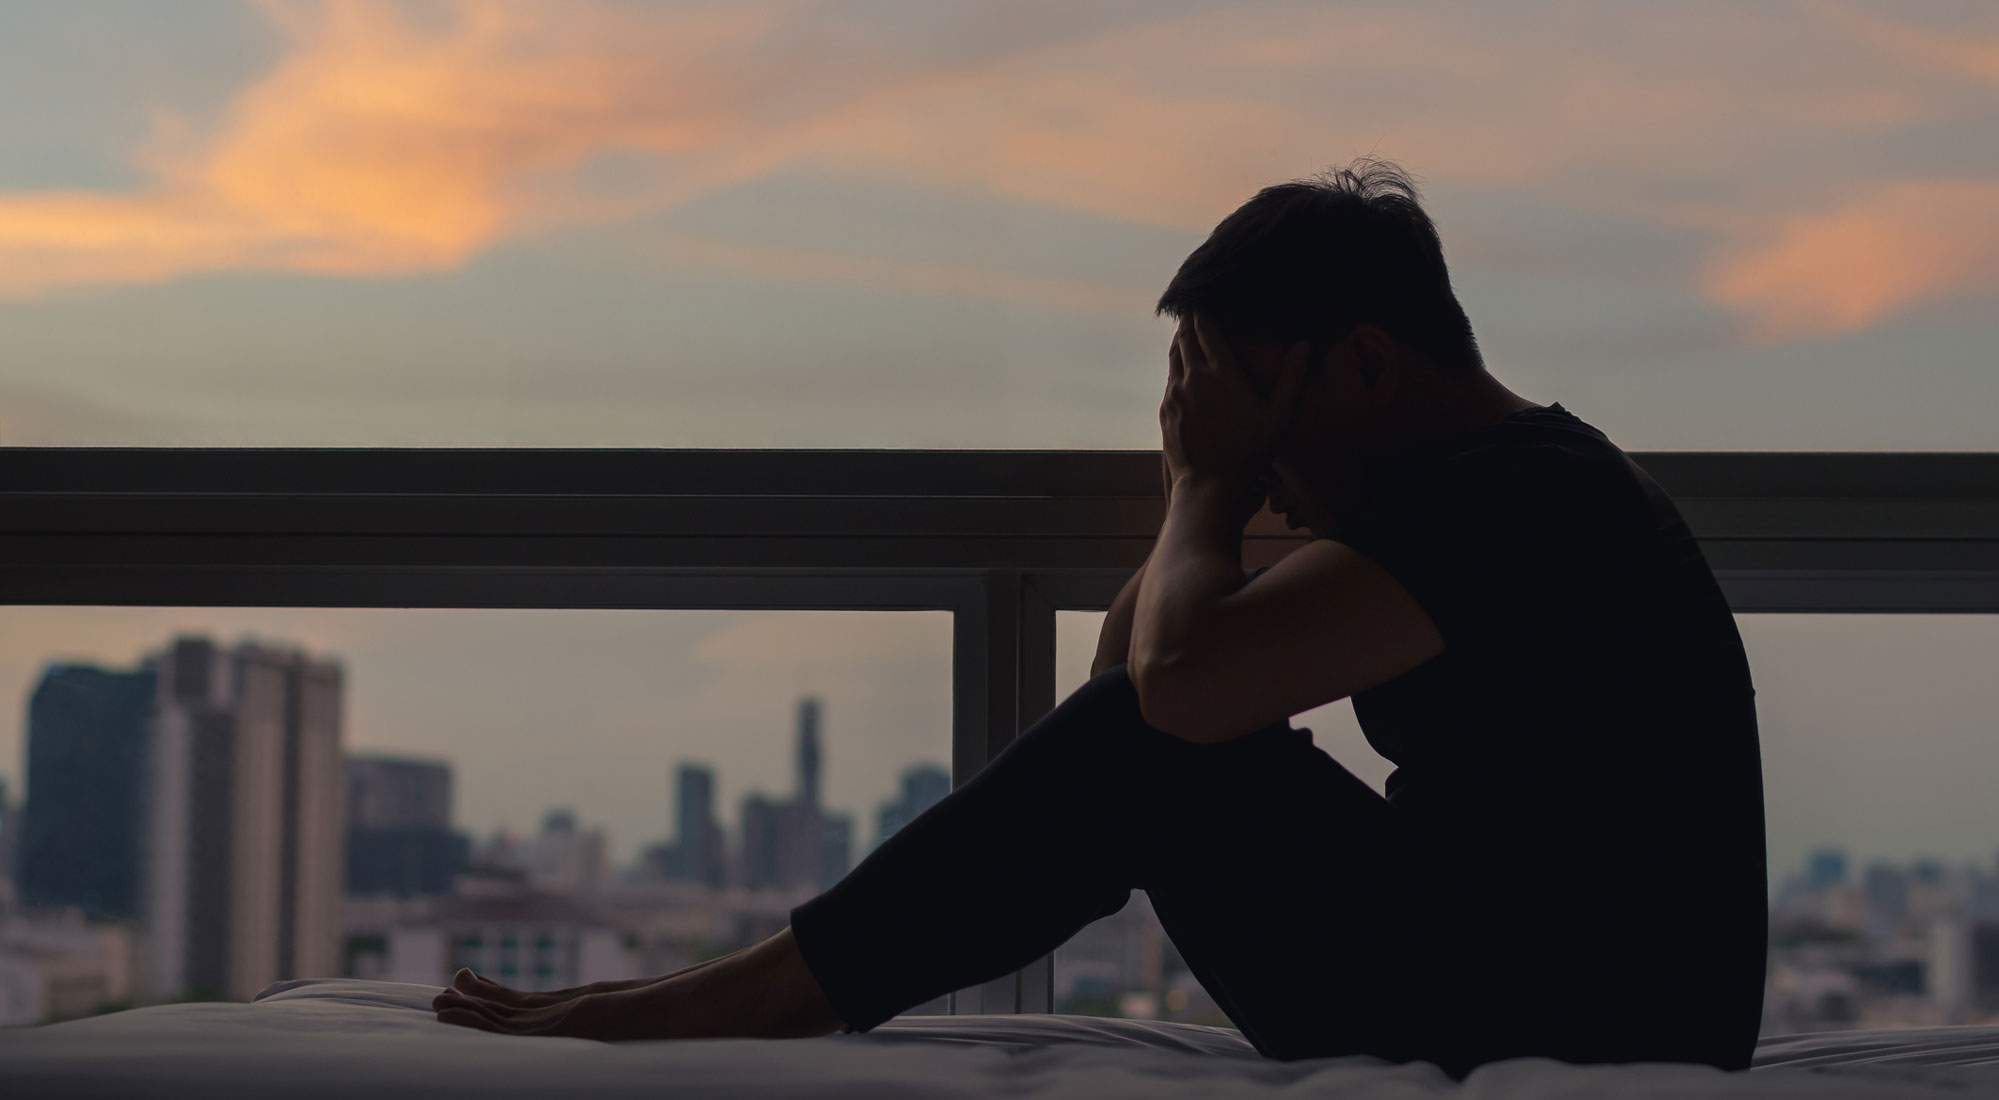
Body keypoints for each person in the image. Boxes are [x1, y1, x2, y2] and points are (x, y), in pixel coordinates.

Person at [433, 158, 1767, 1078]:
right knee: (1152, 738)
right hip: (1528, 980)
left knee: (1156, 738)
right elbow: (1139, 673)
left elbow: (1171, 696)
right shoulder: (1506, 488)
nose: (1263, 465)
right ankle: (747, 989)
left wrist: (1203, 484)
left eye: (1265, 409)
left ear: (1368, 363)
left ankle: (747, 996)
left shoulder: (1516, 502)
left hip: (1581, 1021)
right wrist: (1223, 485)